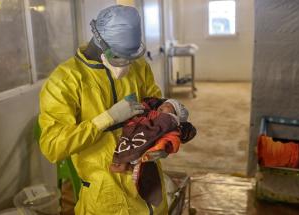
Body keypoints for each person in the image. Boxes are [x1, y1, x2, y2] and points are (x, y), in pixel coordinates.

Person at [39, 5, 167, 214]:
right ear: (99, 41)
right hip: (106, 197)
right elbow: (52, 146)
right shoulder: (64, 81)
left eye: (130, 57)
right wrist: (105, 119)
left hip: (149, 184)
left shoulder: (139, 67)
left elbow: (158, 108)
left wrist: (163, 141)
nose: (126, 64)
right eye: (118, 56)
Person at [109, 98, 196, 206]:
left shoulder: (168, 120)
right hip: (105, 159)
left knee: (139, 150)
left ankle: (129, 163)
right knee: (130, 143)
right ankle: (126, 163)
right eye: (165, 103)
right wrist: (106, 118)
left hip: (143, 140)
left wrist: (166, 145)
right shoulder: (155, 111)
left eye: (169, 105)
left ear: (175, 114)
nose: (164, 105)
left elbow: (172, 135)